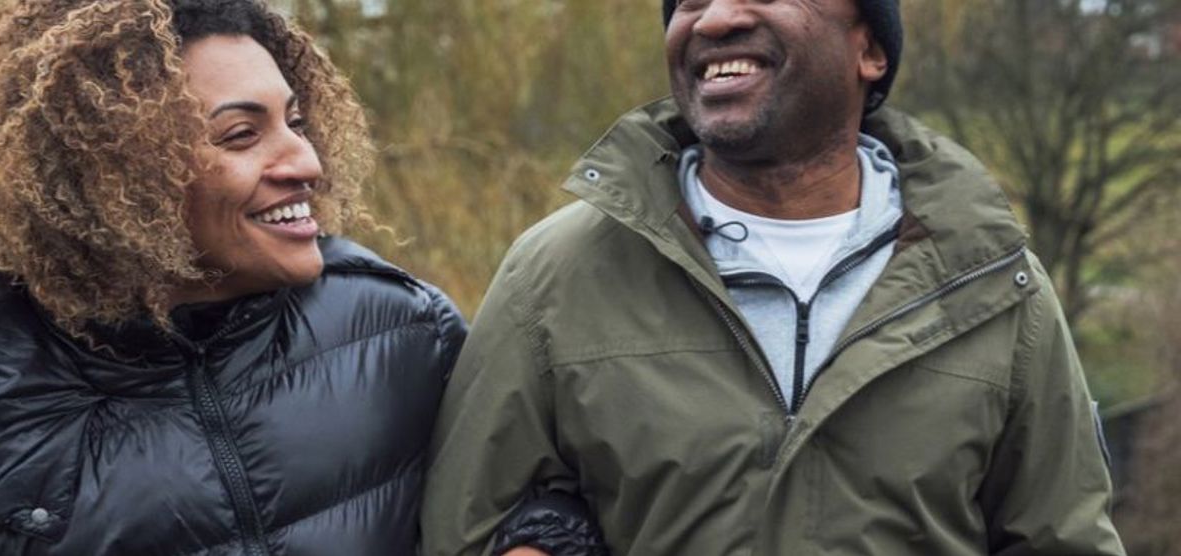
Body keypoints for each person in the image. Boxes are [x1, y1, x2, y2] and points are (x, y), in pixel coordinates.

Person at [422, 0, 1125, 554]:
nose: (716, 18)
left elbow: (1062, 539)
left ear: (870, 49)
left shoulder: (995, 282)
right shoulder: (553, 275)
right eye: (690, 0)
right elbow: (470, 530)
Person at [0, 0, 465, 554]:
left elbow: (536, 493)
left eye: (295, 122)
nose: (308, 162)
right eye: (242, 135)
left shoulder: (407, 334)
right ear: (111, 180)